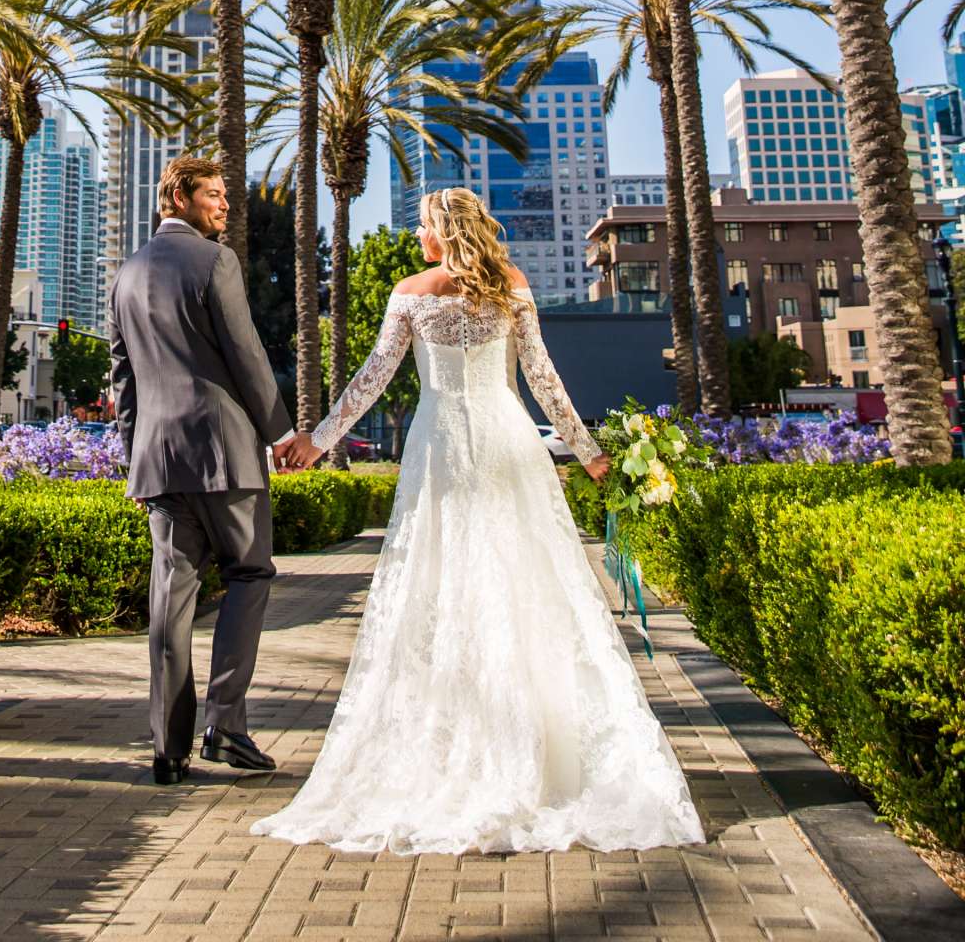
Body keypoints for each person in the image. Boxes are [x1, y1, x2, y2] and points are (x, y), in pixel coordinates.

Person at [252, 187, 703, 857]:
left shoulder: (412, 290)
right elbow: (544, 380)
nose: (417, 240)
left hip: (439, 448)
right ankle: (540, 752)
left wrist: (317, 440)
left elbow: (373, 378)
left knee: (440, 583)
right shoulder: (512, 285)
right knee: (524, 584)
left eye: (423, 229)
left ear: (439, 232)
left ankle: (458, 744)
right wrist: (592, 454)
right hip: (507, 441)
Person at [109, 152, 303, 788]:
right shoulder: (217, 261)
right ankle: (225, 724)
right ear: (180, 198)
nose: (225, 204)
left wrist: (131, 456)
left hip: (159, 462)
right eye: (215, 194)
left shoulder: (127, 273)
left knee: (171, 597)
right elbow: (247, 355)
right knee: (251, 570)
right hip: (225, 452)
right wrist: (281, 433)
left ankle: (168, 746)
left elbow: (124, 381)